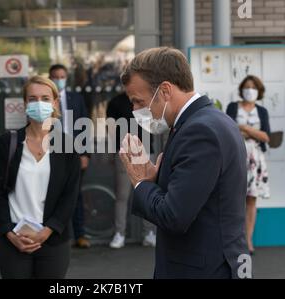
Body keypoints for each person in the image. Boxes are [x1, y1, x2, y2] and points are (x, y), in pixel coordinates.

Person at [118, 47, 249, 279]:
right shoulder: (206, 121)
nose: (135, 110)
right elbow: (198, 193)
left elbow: (174, 215)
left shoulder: (199, 130)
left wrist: (140, 182)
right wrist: (154, 179)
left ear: (165, 90)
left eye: (138, 101)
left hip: (202, 269)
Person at [0, 76, 80, 279]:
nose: (39, 103)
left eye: (45, 98)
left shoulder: (67, 145)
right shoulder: (8, 143)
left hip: (53, 240)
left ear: (55, 103)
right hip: (14, 239)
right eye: (33, 98)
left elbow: (70, 195)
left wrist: (47, 231)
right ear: (25, 104)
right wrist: (9, 233)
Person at [226, 75, 271, 254]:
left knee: (251, 199)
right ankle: (233, 240)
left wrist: (244, 128)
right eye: (247, 86)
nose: (249, 90)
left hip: (255, 159)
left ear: (258, 91)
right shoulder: (232, 107)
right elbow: (227, 128)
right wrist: (253, 132)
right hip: (235, 156)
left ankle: (248, 240)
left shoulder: (262, 111)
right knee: (233, 198)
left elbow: (266, 136)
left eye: (253, 87)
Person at [106, 92, 156, 248]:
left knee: (146, 195)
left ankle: (149, 233)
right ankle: (119, 233)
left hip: (146, 150)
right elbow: (111, 128)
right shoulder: (115, 101)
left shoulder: (148, 99)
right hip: (125, 152)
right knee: (122, 195)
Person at [49, 64, 91, 249]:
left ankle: (80, 234)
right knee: (54, 194)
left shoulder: (76, 99)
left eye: (62, 76)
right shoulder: (46, 101)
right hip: (53, 153)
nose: (59, 79)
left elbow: (84, 127)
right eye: (56, 76)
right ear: (50, 78)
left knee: (76, 195)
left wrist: (85, 153)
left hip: (74, 154)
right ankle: (58, 234)